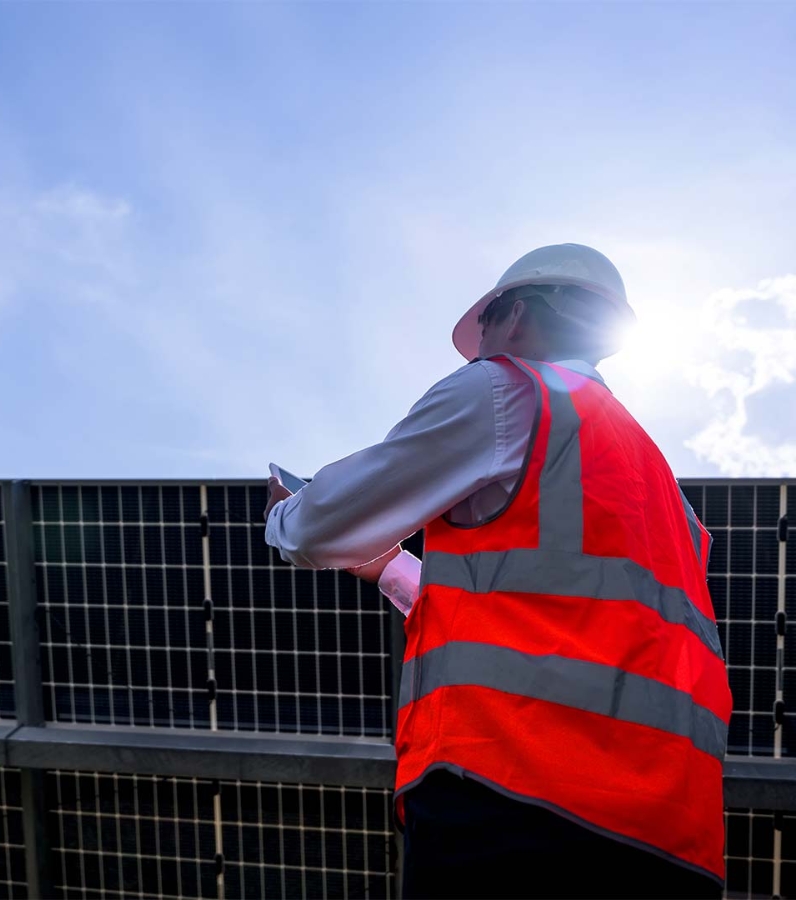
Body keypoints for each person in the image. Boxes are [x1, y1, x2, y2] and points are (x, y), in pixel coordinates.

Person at [264, 243, 731, 899]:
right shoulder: (667, 494)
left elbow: (320, 527)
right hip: (674, 839)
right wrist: (391, 570)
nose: (479, 350)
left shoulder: (510, 389)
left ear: (513, 316)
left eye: (483, 328)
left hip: (513, 801)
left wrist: (283, 519)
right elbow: (555, 619)